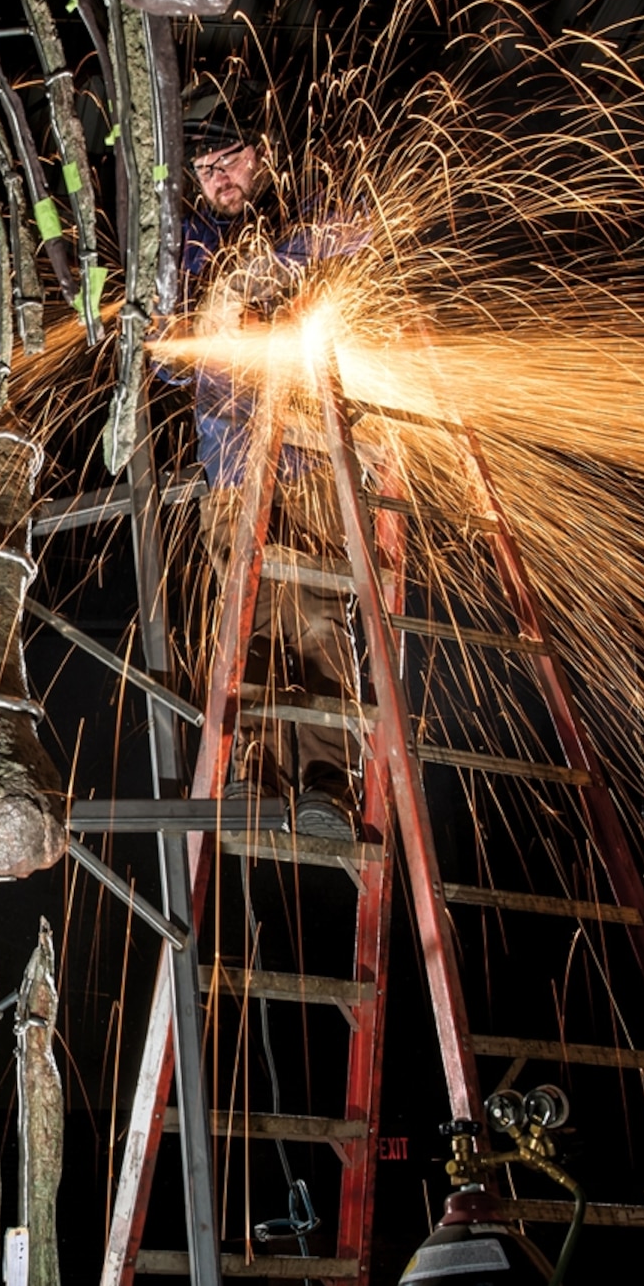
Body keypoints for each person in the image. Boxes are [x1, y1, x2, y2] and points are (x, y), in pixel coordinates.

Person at [175, 101, 368, 842]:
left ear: (262, 153)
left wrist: (271, 264)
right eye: (204, 168)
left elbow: (355, 231)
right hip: (230, 461)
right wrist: (215, 307)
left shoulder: (305, 208)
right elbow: (169, 361)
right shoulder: (191, 242)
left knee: (318, 622)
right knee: (246, 622)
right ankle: (254, 773)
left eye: (230, 158)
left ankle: (325, 781)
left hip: (312, 461)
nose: (220, 177)